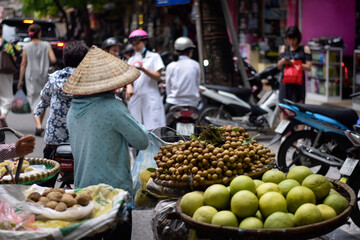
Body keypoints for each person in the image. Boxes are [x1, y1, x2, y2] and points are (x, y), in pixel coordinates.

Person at [62, 45, 149, 195]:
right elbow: (142, 141)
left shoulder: (73, 110)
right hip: (113, 192)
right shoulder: (113, 108)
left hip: (83, 190)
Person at [33, 41, 88, 159]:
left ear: (64, 59)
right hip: (82, 138)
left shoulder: (54, 78)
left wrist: (40, 109)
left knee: (48, 166)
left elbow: (44, 98)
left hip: (54, 137)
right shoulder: (90, 80)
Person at [17, 23, 56, 136]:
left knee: (34, 101)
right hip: (44, 76)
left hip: (30, 77)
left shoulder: (26, 47)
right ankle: (39, 125)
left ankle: (38, 125)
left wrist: (20, 81)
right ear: (39, 33)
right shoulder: (46, 45)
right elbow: (53, 59)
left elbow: (23, 64)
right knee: (43, 100)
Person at [126, 30, 166, 132]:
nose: (136, 46)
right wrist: (129, 86)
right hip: (136, 98)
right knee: (137, 129)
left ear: (145, 42)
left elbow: (157, 77)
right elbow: (128, 78)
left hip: (151, 97)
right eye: (133, 44)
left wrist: (143, 69)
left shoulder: (154, 57)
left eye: (138, 43)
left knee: (154, 130)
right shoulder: (131, 60)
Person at [277, 26, 312, 121]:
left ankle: (300, 134)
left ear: (298, 38)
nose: (291, 41)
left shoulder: (305, 49)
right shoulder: (284, 48)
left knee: (299, 110)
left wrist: (294, 62)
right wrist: (283, 61)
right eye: (289, 39)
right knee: (284, 109)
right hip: (286, 83)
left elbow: (309, 67)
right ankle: (284, 135)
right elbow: (279, 66)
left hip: (298, 82)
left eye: (293, 39)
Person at [165, 36, 200, 112]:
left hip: (174, 102)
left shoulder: (171, 66)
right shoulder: (195, 64)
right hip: (192, 103)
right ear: (190, 51)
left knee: (164, 122)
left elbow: (168, 86)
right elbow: (197, 83)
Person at [0, 23, 20, 128]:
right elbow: (14, 58)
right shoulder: (6, 43)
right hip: (5, 72)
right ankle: (3, 115)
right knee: (7, 95)